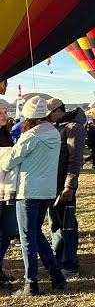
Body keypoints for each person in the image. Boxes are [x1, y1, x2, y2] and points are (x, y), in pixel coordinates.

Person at [0, 97, 66, 296]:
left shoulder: (30, 136)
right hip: (46, 191)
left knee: (27, 238)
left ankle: (31, 283)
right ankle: (56, 275)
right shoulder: (54, 133)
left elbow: (8, 162)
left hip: (27, 191)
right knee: (36, 233)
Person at [45, 98, 87, 279]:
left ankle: (70, 264)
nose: (49, 119)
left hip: (64, 185)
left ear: (57, 111)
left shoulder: (73, 128)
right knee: (55, 223)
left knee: (67, 224)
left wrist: (69, 185)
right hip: (54, 184)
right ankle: (58, 260)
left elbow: (75, 159)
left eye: (49, 115)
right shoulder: (62, 126)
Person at [0, 99, 18, 289]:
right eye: (0, 112)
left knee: (9, 230)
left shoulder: (7, 135)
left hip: (8, 190)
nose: (5, 115)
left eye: (5, 111)